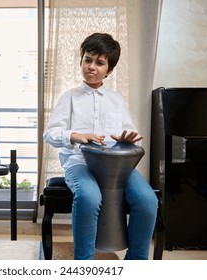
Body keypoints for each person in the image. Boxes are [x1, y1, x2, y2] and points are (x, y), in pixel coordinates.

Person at [43, 32, 158, 260]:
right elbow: (50, 134)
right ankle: (84, 265)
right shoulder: (70, 97)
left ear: (109, 70)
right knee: (88, 197)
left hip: (117, 167)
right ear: (81, 61)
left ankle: (136, 263)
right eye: (87, 60)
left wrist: (128, 139)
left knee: (147, 200)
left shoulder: (117, 99)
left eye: (99, 62)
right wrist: (75, 136)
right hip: (80, 164)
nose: (91, 67)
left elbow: (134, 135)